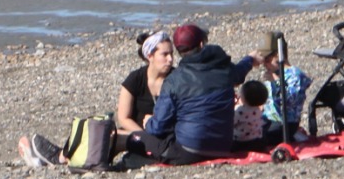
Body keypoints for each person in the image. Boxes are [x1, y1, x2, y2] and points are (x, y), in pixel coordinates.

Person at [17, 29, 173, 167]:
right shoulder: (135, 79)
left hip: (164, 138)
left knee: (103, 136)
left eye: (171, 53)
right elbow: (124, 118)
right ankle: (62, 156)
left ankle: (59, 158)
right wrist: (144, 135)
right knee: (100, 128)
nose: (170, 59)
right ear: (150, 55)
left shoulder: (176, 79)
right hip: (137, 133)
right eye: (165, 54)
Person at [123, 24, 261, 166]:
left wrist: (149, 123)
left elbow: (159, 127)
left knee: (136, 138)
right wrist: (249, 59)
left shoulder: (174, 80)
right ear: (201, 44)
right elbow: (239, 72)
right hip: (223, 147)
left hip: (189, 151)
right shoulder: (223, 67)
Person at [257, 32, 313, 145]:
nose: (265, 65)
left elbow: (291, 100)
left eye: (267, 60)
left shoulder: (295, 75)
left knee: (259, 139)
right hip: (268, 119)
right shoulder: (274, 73)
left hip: (285, 123)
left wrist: (277, 82)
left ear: (278, 55)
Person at [232, 80, 268, 152]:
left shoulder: (240, 110)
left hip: (240, 142)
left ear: (244, 98)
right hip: (257, 142)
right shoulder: (258, 110)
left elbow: (231, 123)